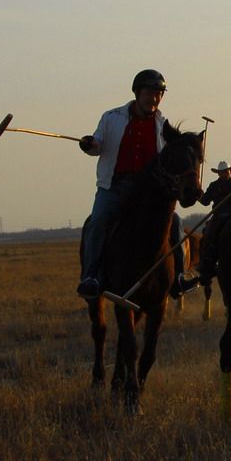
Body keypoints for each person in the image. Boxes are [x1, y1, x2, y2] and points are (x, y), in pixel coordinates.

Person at [77, 69, 192, 299]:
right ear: (138, 93)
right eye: (150, 93)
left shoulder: (162, 125)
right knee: (98, 221)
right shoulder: (111, 118)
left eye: (159, 94)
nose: (155, 99)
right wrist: (89, 144)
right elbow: (98, 144)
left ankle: (178, 277)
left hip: (148, 192)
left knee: (176, 222)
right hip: (114, 187)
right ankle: (91, 277)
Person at [190, 161, 231, 286]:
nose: (224, 174)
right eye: (221, 172)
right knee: (207, 235)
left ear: (230, 171)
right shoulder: (213, 185)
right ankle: (206, 264)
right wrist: (198, 194)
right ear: (218, 173)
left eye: (226, 171)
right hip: (217, 215)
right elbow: (205, 201)